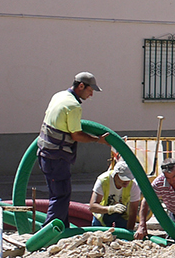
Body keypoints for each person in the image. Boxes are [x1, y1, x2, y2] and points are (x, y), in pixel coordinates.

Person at [37, 72, 107, 228]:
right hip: (57, 157)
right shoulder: (73, 106)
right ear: (81, 86)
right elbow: (76, 135)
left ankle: (64, 228)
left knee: (59, 195)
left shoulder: (59, 96)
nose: (91, 95)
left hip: (45, 154)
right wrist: (98, 140)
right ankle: (49, 233)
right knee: (61, 196)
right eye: (90, 90)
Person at [90, 161, 140, 231]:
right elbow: (92, 207)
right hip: (103, 213)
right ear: (116, 175)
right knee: (98, 236)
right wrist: (110, 209)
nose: (127, 182)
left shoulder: (133, 185)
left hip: (123, 215)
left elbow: (133, 212)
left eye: (129, 179)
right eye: (124, 178)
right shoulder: (103, 180)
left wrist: (129, 234)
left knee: (123, 232)